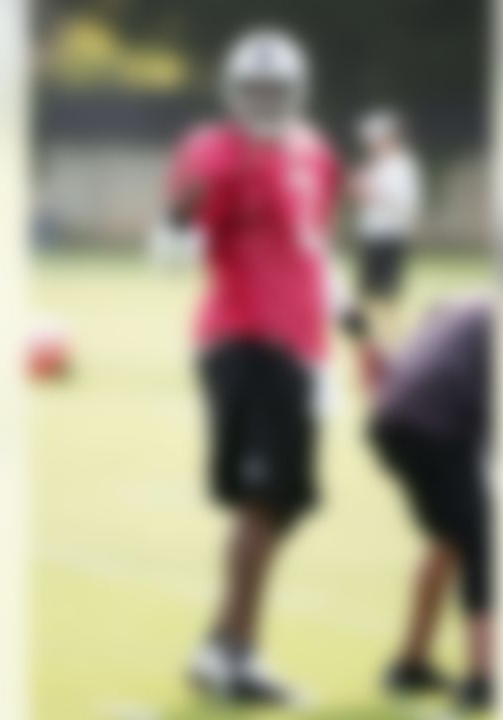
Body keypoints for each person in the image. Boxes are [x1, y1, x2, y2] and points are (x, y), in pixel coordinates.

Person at [159, 27, 341, 706]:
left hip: (300, 347)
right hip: (244, 337)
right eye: (253, 88)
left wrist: (339, 335)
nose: (264, 99)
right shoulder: (215, 147)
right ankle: (236, 655)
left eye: (276, 89)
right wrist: (185, 202)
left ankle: (219, 646)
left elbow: (315, 244)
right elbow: (177, 230)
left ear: (297, 91)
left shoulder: (317, 152)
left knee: (288, 502)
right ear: (234, 91)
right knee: (263, 499)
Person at [365, 295, 495, 713]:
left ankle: (411, 664)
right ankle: (484, 676)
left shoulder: (471, 304)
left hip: (393, 416)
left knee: (451, 536)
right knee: (482, 541)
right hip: (434, 423)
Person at [352, 109, 425, 348]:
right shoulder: (376, 166)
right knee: (366, 292)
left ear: (390, 138)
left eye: (376, 138)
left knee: (390, 294)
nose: (372, 144)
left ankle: (393, 339)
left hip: (391, 237)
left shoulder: (403, 166)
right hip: (371, 236)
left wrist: (373, 192)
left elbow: (407, 203)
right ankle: (367, 341)